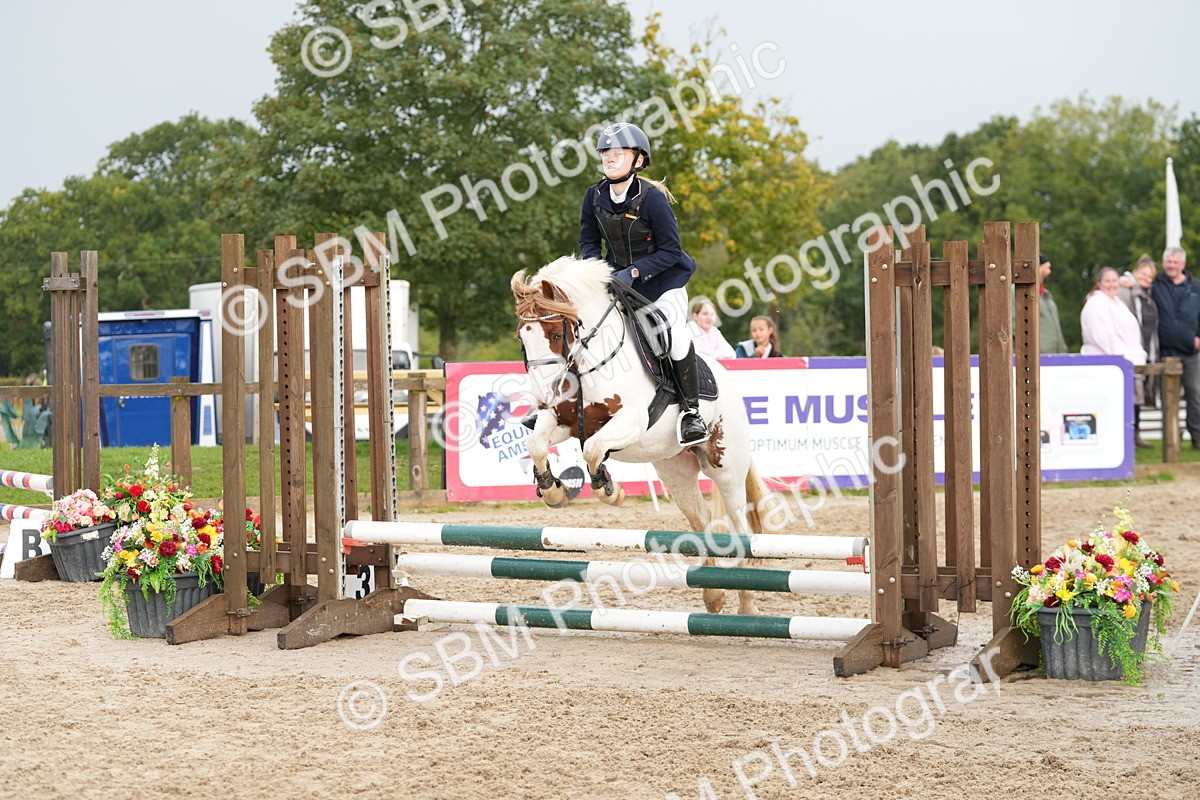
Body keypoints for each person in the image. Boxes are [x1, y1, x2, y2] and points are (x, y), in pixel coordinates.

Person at [579, 122, 709, 446]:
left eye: (618, 153)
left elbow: (671, 251)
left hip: (664, 283)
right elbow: (589, 242)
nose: (609, 158)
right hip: (617, 283)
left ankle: (692, 413)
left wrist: (634, 273)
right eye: (605, 152)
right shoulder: (594, 196)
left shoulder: (652, 199)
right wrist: (597, 272)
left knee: (674, 335)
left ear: (638, 160)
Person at [1081, 267, 1147, 447]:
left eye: (1114, 280)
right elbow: (1105, 337)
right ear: (1100, 283)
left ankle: (1123, 443)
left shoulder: (1118, 303)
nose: (1111, 284)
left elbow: (1132, 335)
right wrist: (1124, 360)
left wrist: (1138, 356)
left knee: (1126, 408)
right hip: (1106, 365)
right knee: (1106, 410)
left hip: (1125, 364)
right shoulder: (1096, 303)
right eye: (1107, 281)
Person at [1151, 246, 1200, 449]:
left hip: (1191, 353)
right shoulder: (1156, 284)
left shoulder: (1196, 287)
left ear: (1183, 264)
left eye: (1175, 262)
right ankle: (1172, 437)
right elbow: (1136, 279)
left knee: (1195, 394)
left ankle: (1196, 435)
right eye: (1168, 262)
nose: (1171, 266)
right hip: (1165, 352)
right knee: (1167, 397)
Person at [1118, 255, 1160, 447]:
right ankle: (1127, 435)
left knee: (1139, 394)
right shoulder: (1125, 290)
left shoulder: (1148, 295)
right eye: (1143, 274)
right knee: (1130, 393)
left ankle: (1136, 434)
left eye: (1150, 276)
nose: (1146, 279)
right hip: (1129, 349)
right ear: (1134, 272)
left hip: (1145, 350)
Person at [1038, 252, 1070, 353]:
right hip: (1035, 356)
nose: (1049, 272)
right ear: (1038, 267)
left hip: (1055, 355)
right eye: (1047, 268)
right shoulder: (1016, 292)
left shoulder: (1046, 295)